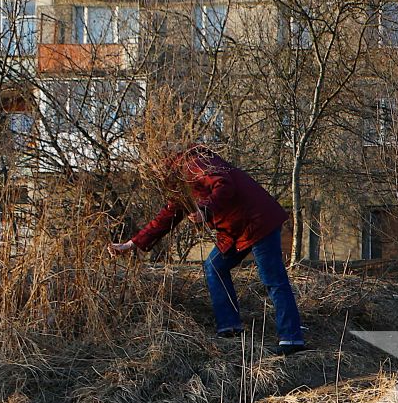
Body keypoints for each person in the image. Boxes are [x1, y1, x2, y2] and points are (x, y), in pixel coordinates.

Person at [110, 145, 307, 354]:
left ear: (161, 161)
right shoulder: (178, 183)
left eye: (151, 167)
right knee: (214, 267)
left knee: (273, 278)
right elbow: (166, 217)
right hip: (235, 229)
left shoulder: (194, 163)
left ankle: (291, 339)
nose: (153, 173)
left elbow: (224, 184)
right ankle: (230, 327)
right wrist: (132, 244)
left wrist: (205, 208)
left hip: (257, 221)